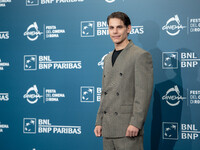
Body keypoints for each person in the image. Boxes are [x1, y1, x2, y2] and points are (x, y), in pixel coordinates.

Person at [94, 12, 154, 150]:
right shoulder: (107, 58)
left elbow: (143, 93)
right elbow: (105, 93)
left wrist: (136, 123)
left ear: (128, 29)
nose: (115, 32)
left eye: (119, 27)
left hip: (128, 128)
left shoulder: (140, 55)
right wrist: (99, 121)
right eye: (111, 27)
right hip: (107, 129)